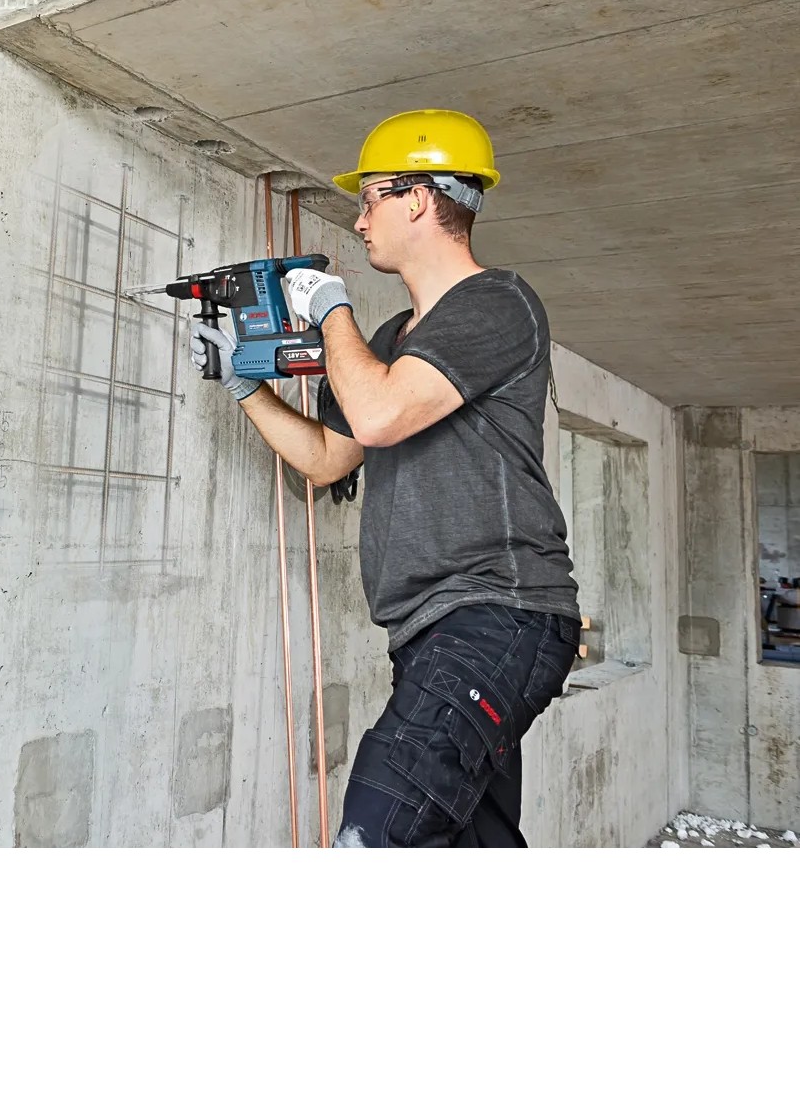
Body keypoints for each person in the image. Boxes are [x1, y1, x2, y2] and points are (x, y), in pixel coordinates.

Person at [190, 109, 580, 847]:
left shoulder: (501, 303)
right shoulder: (391, 344)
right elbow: (330, 457)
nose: (360, 220)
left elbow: (375, 415)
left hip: (498, 614)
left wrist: (329, 304)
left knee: (378, 826)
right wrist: (245, 386)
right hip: (429, 633)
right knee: (472, 845)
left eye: (370, 198)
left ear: (420, 199)